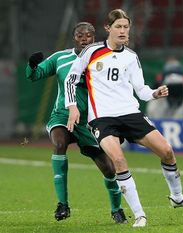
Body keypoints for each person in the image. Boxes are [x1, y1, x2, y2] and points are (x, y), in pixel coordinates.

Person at [64, 9, 183, 227]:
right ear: (108, 28)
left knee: (167, 150)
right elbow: (70, 79)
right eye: (118, 27)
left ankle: (178, 198)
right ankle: (140, 215)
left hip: (130, 113)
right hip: (102, 118)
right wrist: (72, 106)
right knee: (118, 160)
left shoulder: (131, 57)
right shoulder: (91, 51)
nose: (123, 31)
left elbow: (141, 90)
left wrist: (154, 93)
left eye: (126, 27)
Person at [25, 22, 127, 223]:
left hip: (90, 121)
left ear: (93, 37)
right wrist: (31, 64)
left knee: (108, 168)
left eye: (88, 35)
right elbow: (34, 75)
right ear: (74, 38)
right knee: (60, 144)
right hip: (62, 115)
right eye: (80, 35)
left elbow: (117, 88)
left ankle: (117, 209)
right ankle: (62, 204)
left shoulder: (103, 58)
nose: (83, 38)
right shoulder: (60, 58)